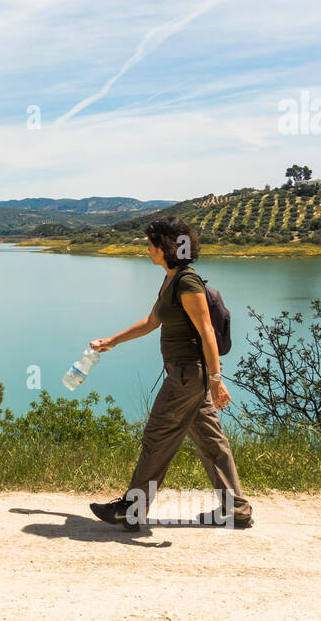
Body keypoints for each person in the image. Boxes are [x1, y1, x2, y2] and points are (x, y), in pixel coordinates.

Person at [88, 216, 253, 530]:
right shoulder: (170, 279)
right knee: (211, 443)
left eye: (151, 243)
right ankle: (238, 510)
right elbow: (152, 322)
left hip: (186, 376)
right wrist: (112, 341)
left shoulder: (187, 281)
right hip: (189, 376)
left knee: (156, 436)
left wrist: (217, 382)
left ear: (165, 247)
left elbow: (206, 332)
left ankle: (132, 509)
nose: (147, 248)